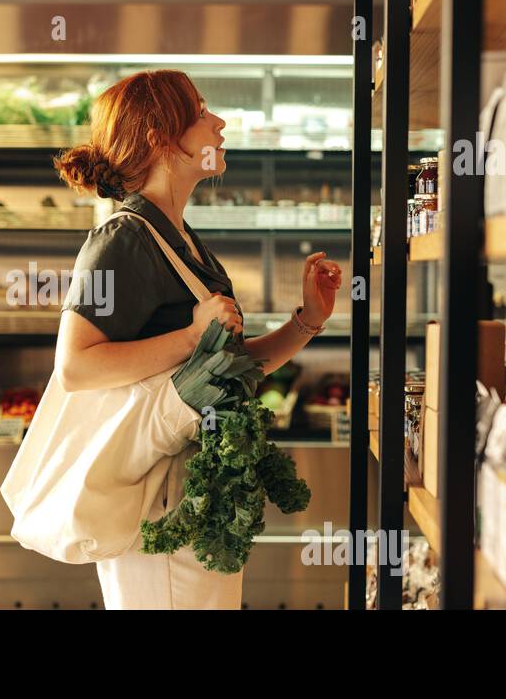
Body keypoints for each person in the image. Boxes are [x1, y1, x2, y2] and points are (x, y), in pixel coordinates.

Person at [52, 69, 343, 609]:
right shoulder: (122, 239)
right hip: (156, 502)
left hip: (192, 494)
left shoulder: (178, 238)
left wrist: (305, 321)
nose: (220, 122)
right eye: (202, 112)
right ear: (162, 139)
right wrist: (190, 335)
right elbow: (76, 366)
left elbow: (226, 365)